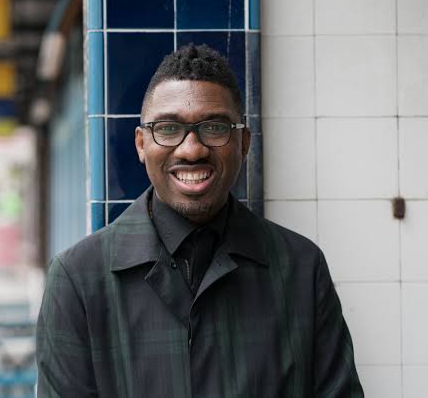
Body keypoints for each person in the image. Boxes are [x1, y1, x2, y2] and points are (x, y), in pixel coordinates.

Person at [36, 44, 363, 397]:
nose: (192, 149)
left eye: (215, 127)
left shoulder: (300, 268)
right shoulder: (78, 280)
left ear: (244, 142)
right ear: (141, 144)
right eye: (168, 128)